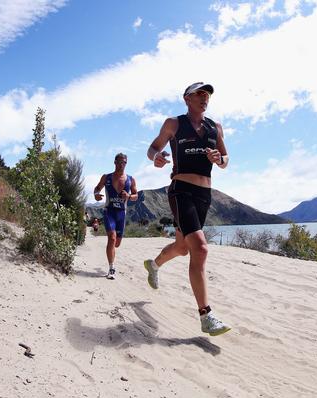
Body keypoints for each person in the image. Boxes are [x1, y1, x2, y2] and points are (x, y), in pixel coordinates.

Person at [144, 82, 231, 336]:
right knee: (201, 249)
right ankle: (206, 315)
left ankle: (155, 264)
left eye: (208, 95)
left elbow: (226, 160)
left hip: (205, 194)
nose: (205, 98)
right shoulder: (174, 123)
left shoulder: (215, 127)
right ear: (187, 98)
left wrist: (219, 159)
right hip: (180, 190)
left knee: (183, 248)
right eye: (199, 94)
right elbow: (153, 148)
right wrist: (156, 158)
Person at [94, 153, 138, 280]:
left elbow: (136, 195)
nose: (121, 165)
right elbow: (97, 188)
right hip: (109, 212)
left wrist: (129, 196)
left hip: (121, 214)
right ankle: (111, 268)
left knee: (117, 243)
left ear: (126, 163)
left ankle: (111, 257)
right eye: (119, 162)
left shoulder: (131, 179)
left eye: (123, 162)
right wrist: (96, 194)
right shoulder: (106, 177)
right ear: (114, 162)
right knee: (112, 238)